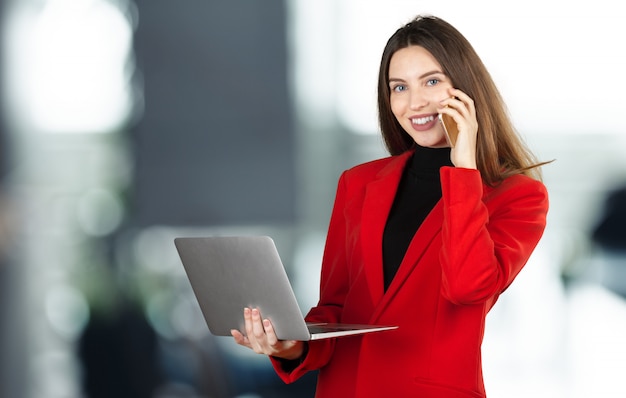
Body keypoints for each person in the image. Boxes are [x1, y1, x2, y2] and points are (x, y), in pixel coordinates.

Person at [231, 14, 549, 397]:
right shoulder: (358, 184)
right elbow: (336, 311)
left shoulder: (516, 196)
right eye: (399, 87)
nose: (415, 102)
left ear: (465, 89)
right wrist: (291, 345)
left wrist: (464, 170)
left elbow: (467, 289)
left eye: (432, 81)